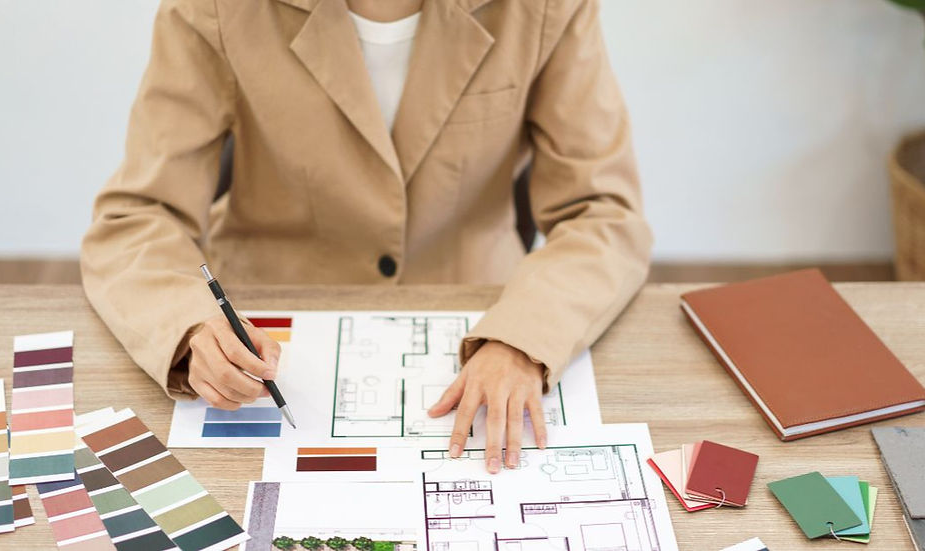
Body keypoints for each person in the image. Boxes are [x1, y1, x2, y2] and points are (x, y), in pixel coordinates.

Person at [80, 0, 652, 474]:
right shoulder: (215, 8)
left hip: (478, 309)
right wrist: (188, 326)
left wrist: (525, 337)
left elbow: (605, 212)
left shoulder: (548, 7)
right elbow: (137, 215)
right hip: (270, 316)